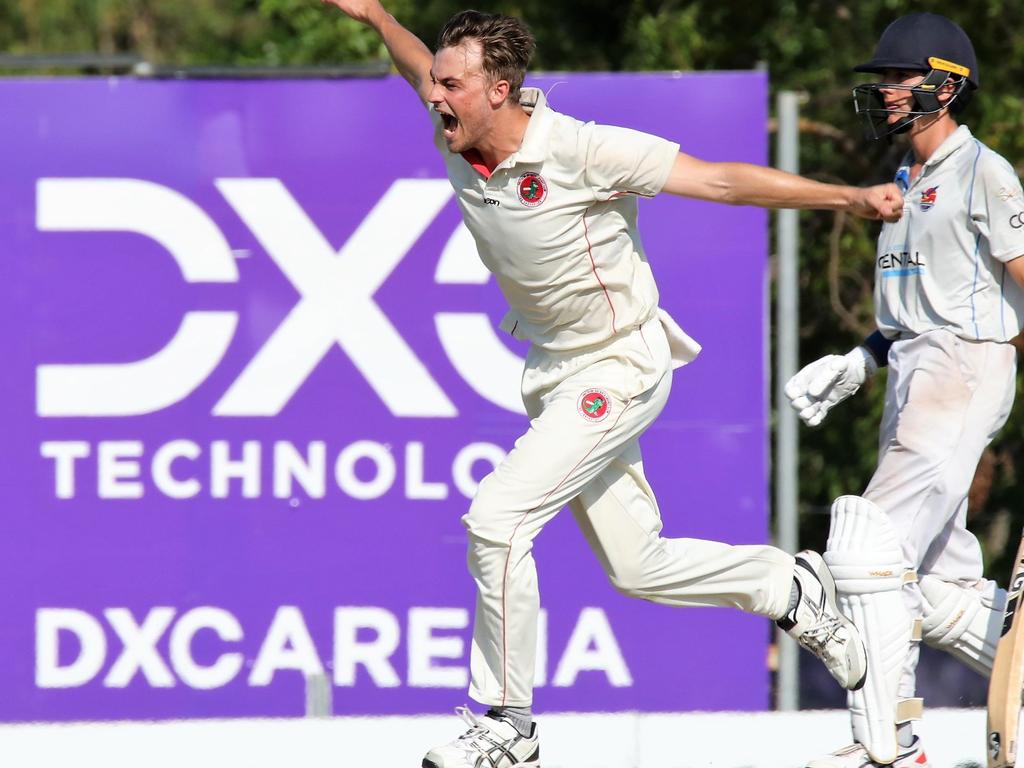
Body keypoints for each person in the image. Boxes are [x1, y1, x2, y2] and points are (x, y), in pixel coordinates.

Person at [319, 3, 904, 766]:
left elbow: (722, 182)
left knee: (496, 522)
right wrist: (376, 15)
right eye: (435, 83)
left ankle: (506, 724)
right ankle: (787, 588)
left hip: (621, 365)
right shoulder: (455, 128)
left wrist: (850, 200)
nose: (435, 96)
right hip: (554, 373)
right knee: (638, 566)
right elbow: (413, 59)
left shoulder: (583, 151)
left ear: (500, 89)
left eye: (452, 85)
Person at [785, 13, 1024, 768]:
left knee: (864, 548)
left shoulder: (982, 170)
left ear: (945, 87)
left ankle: (891, 743)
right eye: (881, 80)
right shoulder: (903, 182)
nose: (884, 92)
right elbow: (912, 312)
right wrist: (859, 360)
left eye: (897, 78)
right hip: (915, 371)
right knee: (932, 589)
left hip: (965, 367)